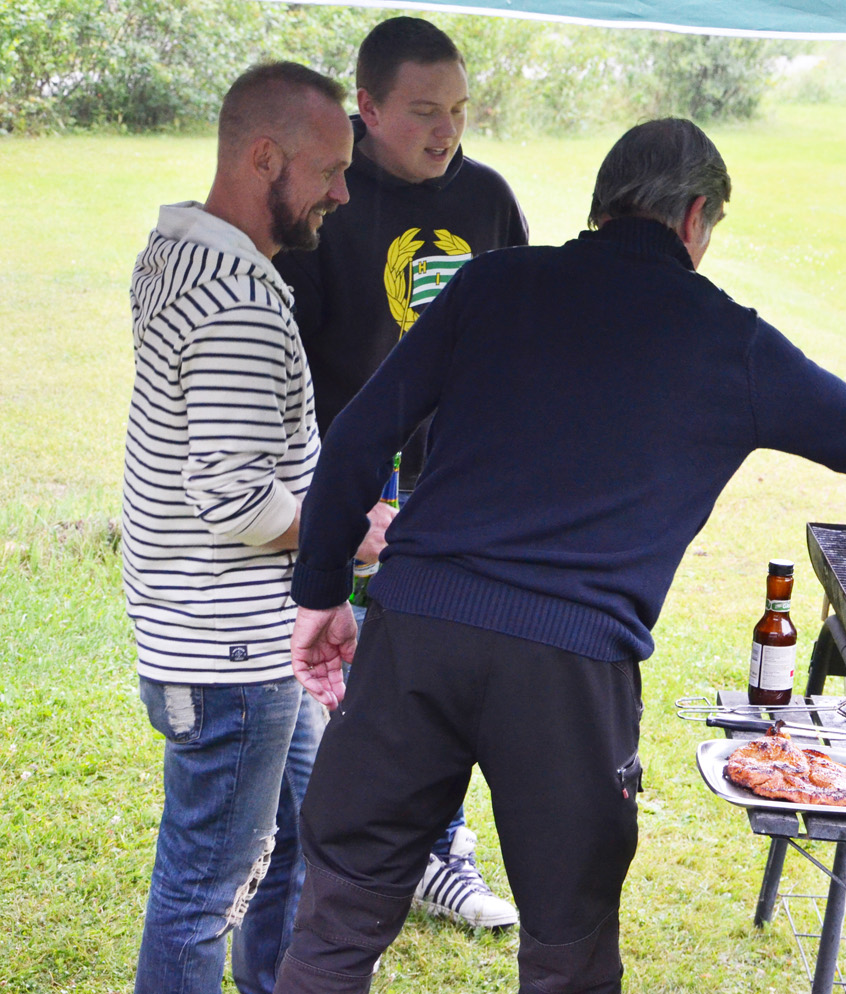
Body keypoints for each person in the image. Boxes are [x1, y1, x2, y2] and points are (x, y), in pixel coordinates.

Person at [273, 118, 846, 994]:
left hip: (416, 634)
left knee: (337, 924)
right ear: (694, 219)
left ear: (604, 203)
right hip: (568, 675)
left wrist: (320, 597)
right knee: (567, 947)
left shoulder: (492, 286)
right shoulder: (730, 339)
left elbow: (355, 440)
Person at [122, 63, 392, 994]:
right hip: (227, 658)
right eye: (327, 171)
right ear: (264, 156)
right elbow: (235, 500)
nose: (343, 193)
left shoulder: (177, 252)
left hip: (231, 641)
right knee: (202, 894)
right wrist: (353, 529)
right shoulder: (240, 297)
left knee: (299, 839)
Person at [274, 15, 527, 932]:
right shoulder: (326, 207)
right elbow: (291, 362)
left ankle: (441, 852)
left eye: (458, 110)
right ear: (368, 107)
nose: (446, 130)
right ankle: (347, 847)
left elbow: (520, 336)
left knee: (446, 668)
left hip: (456, 481)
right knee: (349, 669)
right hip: (349, 480)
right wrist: (343, 498)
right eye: (424, 110)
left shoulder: (491, 200)